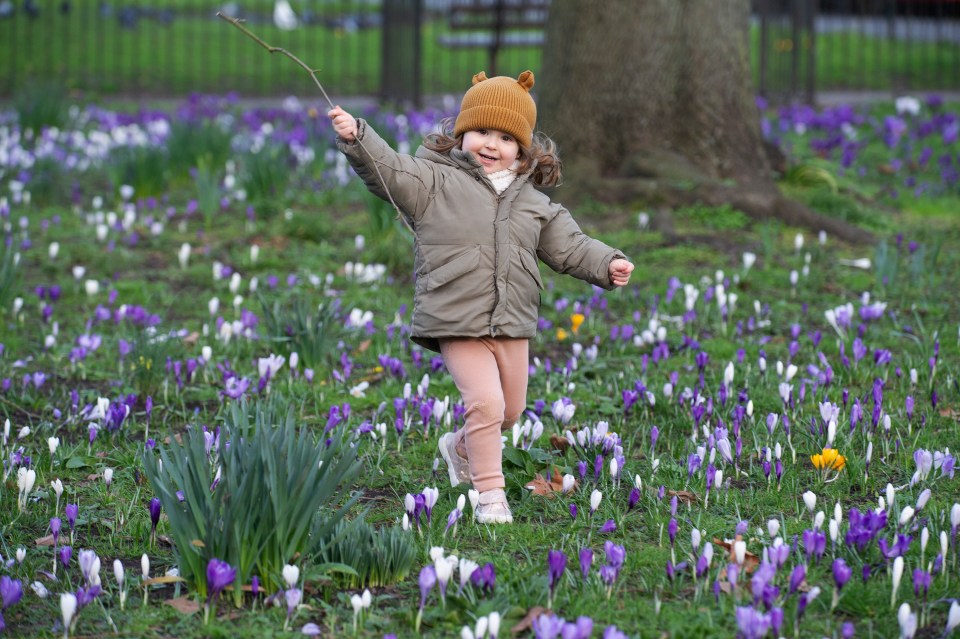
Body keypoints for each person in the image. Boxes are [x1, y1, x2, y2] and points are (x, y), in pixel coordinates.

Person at [329, 70, 634, 524]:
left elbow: (569, 245)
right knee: (486, 404)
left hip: (511, 318)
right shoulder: (433, 181)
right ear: (461, 134)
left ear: (523, 149)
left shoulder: (533, 202)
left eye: (506, 138)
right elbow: (390, 171)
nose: (492, 144)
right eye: (481, 132)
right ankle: (491, 496)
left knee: (510, 412)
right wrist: (360, 140)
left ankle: (459, 448)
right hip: (454, 315)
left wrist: (607, 263)